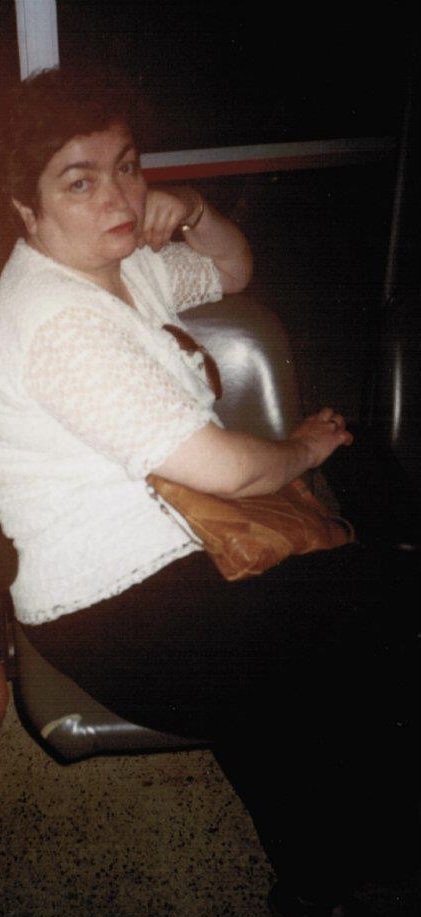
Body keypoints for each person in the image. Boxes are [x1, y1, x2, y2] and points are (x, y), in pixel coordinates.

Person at [0, 67, 419, 917]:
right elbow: (229, 469)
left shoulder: (120, 264)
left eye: (127, 164)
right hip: (114, 604)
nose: (118, 194)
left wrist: (190, 208)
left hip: (192, 549)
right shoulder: (57, 318)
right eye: (79, 181)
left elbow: (231, 269)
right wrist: (301, 447)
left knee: (322, 676)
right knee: (376, 629)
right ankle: (345, 867)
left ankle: (323, 874)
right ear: (25, 208)